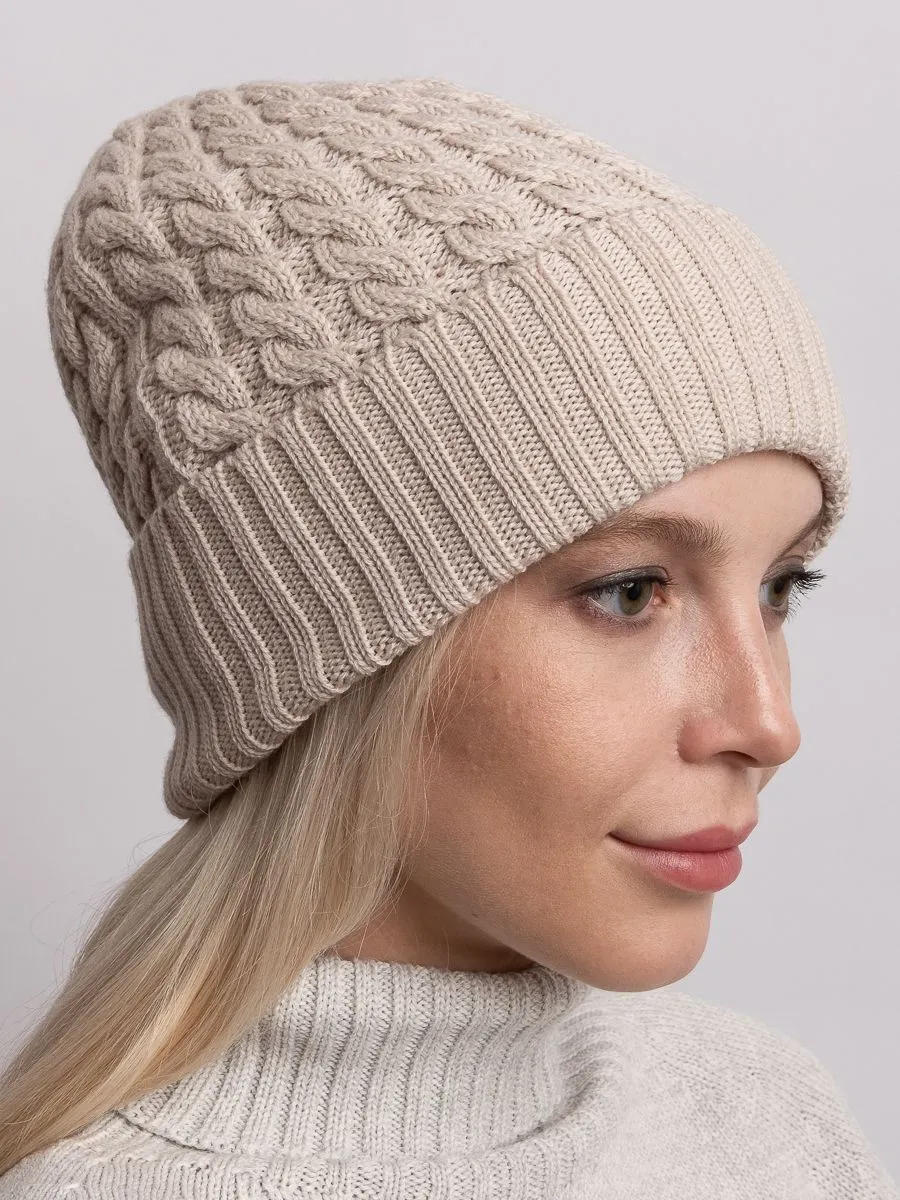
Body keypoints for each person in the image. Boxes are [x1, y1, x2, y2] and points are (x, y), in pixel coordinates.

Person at [0, 76, 895, 1198]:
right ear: (329, 643)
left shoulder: (770, 1121)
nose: (768, 724)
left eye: (780, 586)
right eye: (630, 592)